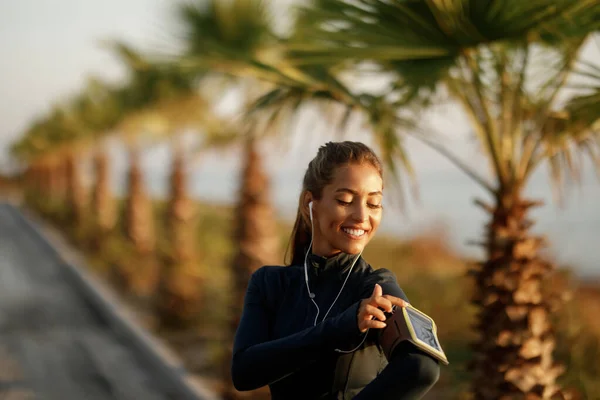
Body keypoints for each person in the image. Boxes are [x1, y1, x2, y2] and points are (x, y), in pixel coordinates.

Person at [231, 141, 440, 399]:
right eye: (345, 200)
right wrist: (342, 327)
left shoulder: (376, 288)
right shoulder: (270, 284)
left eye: (374, 204)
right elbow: (244, 372)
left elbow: (421, 368)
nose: (362, 215)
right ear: (311, 203)